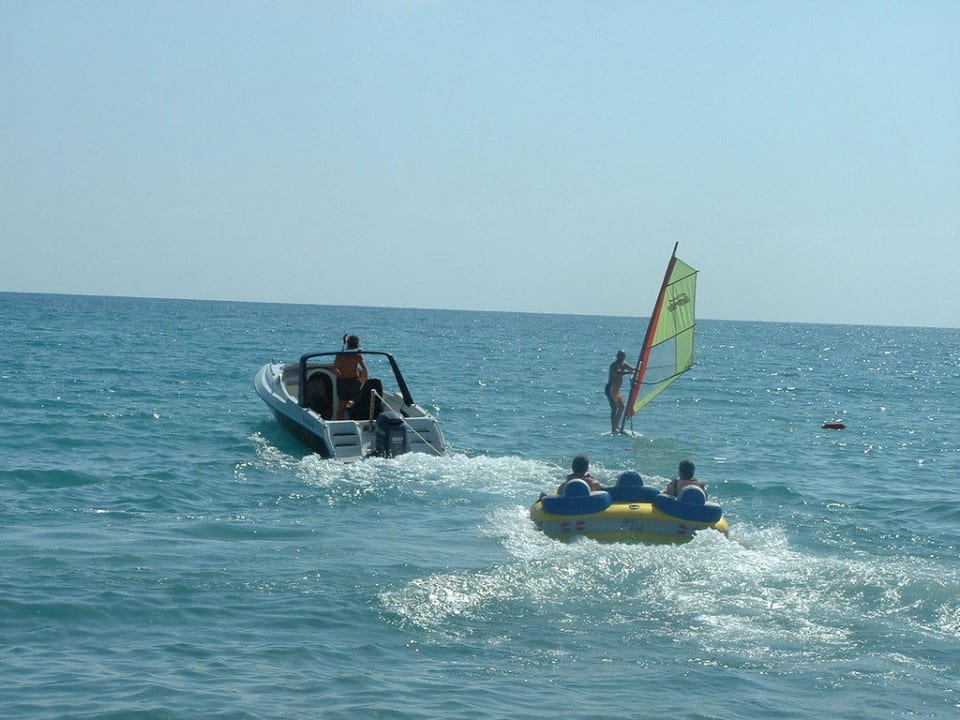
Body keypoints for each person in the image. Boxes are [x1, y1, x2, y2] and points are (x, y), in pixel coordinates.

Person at [333, 334, 368, 419]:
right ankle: (351, 402)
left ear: (348, 344)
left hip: (342, 381)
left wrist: (339, 374)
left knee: (341, 408)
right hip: (354, 380)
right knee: (355, 401)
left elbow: (335, 368)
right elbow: (364, 368)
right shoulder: (357, 355)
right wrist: (363, 379)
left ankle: (339, 424)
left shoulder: (340, 355)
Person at [605, 350, 635, 434]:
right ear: (617, 356)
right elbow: (618, 373)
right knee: (614, 408)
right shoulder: (613, 365)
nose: (622, 358)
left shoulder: (624, 364)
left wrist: (638, 370)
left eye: (623, 356)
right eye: (620, 356)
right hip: (610, 389)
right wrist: (628, 372)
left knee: (621, 407)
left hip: (616, 391)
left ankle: (616, 426)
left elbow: (632, 369)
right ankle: (613, 429)